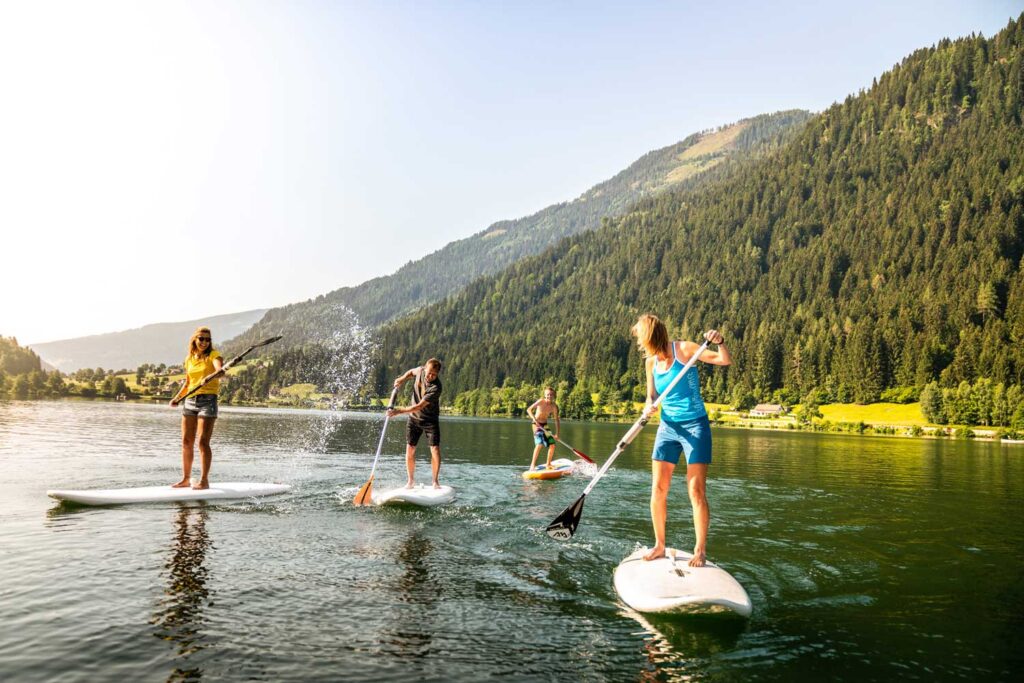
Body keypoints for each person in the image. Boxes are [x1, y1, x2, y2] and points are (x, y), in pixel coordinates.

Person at [631, 314, 731, 567]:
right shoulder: (650, 362)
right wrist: (649, 406)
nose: (640, 344)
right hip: (668, 427)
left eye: (641, 339)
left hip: (695, 426)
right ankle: (660, 546)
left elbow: (723, 360)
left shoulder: (684, 350)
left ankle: (700, 550)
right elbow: (651, 395)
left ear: (651, 336)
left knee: (695, 490)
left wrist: (719, 341)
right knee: (658, 488)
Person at [169, 327, 225, 490]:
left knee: (202, 442)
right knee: (186, 442)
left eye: (208, 339)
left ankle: (204, 480)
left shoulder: (214, 355)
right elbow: (187, 383)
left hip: (208, 401)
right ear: (195, 339)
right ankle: (186, 479)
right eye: (201, 338)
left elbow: (220, 371)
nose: (204, 342)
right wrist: (177, 398)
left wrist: (212, 375)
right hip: (189, 401)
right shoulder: (189, 359)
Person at [387, 358, 443, 489]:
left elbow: (419, 406)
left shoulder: (436, 388)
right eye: (429, 373)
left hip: (430, 420)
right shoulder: (419, 371)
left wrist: (398, 411)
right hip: (414, 419)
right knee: (410, 448)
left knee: (434, 449)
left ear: (437, 374)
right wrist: (402, 379)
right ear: (425, 368)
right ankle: (410, 481)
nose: (430, 376)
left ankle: (435, 481)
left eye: (434, 374)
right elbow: (411, 372)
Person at [526, 387, 561, 470]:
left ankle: (548, 464)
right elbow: (529, 410)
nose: (549, 396)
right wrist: (534, 419)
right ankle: (532, 465)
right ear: (545, 395)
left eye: (551, 394)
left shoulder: (554, 406)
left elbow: (556, 420)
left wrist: (557, 434)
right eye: (548, 394)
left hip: (544, 425)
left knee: (552, 445)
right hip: (536, 424)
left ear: (554, 396)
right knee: (539, 444)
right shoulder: (541, 401)